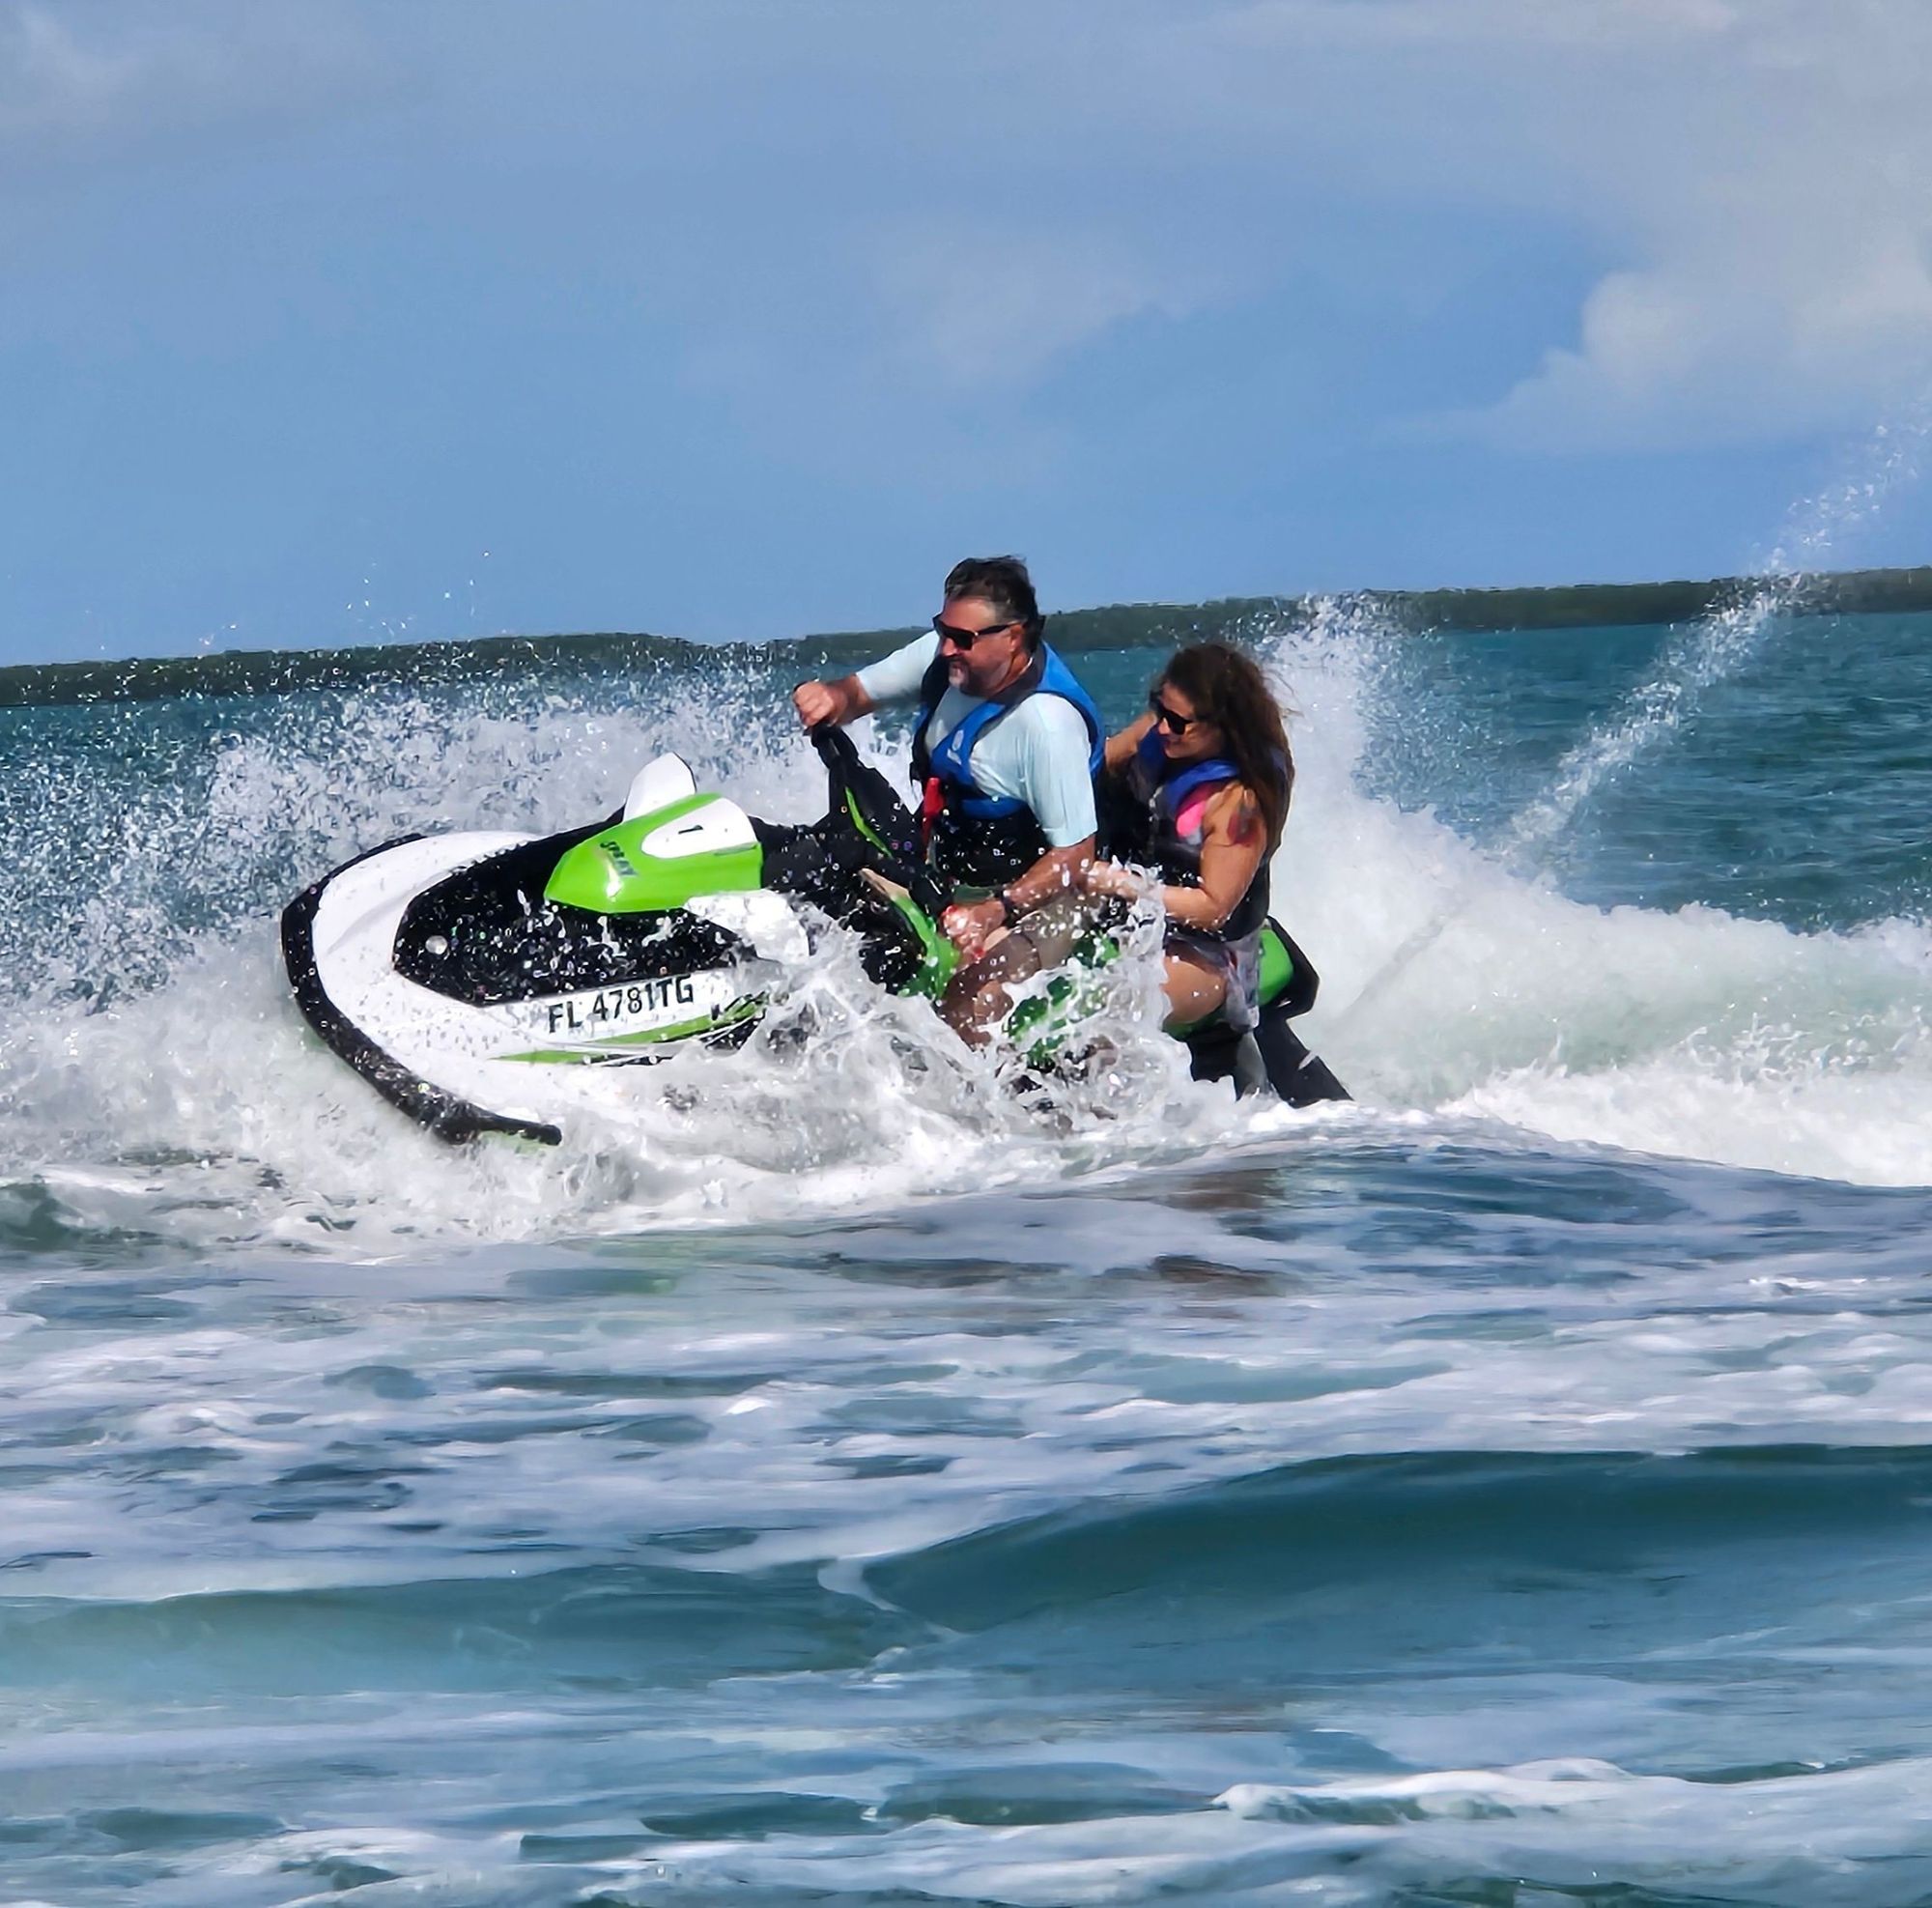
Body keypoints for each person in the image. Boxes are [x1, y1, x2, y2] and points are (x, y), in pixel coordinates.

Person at [792, 555, 1105, 1042]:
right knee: (816, 898)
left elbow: (1075, 858)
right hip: (945, 880)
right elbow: (855, 693)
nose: (946, 648)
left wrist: (994, 911)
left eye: (963, 639)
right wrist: (830, 698)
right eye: (942, 630)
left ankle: (984, 1114)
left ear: (1015, 637)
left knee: (964, 1003)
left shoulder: (1046, 725)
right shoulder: (944, 660)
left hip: (1038, 902)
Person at [1083, 642, 1293, 1035]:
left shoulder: (1240, 804)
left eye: (1178, 722)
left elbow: (1213, 907)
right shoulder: (1159, 734)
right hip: (1133, 919)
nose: (1163, 727)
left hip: (1209, 954)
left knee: (1114, 1017)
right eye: (1160, 709)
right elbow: (1092, 773)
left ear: (1223, 727)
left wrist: (1122, 884)